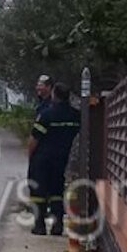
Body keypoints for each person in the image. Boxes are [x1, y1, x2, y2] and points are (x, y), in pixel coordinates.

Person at [28, 82, 80, 235]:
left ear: (54, 95)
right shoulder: (75, 115)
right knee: (57, 191)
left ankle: (39, 225)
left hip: (42, 158)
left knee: (38, 192)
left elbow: (34, 139)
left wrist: (31, 157)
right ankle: (58, 226)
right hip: (61, 158)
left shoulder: (47, 114)